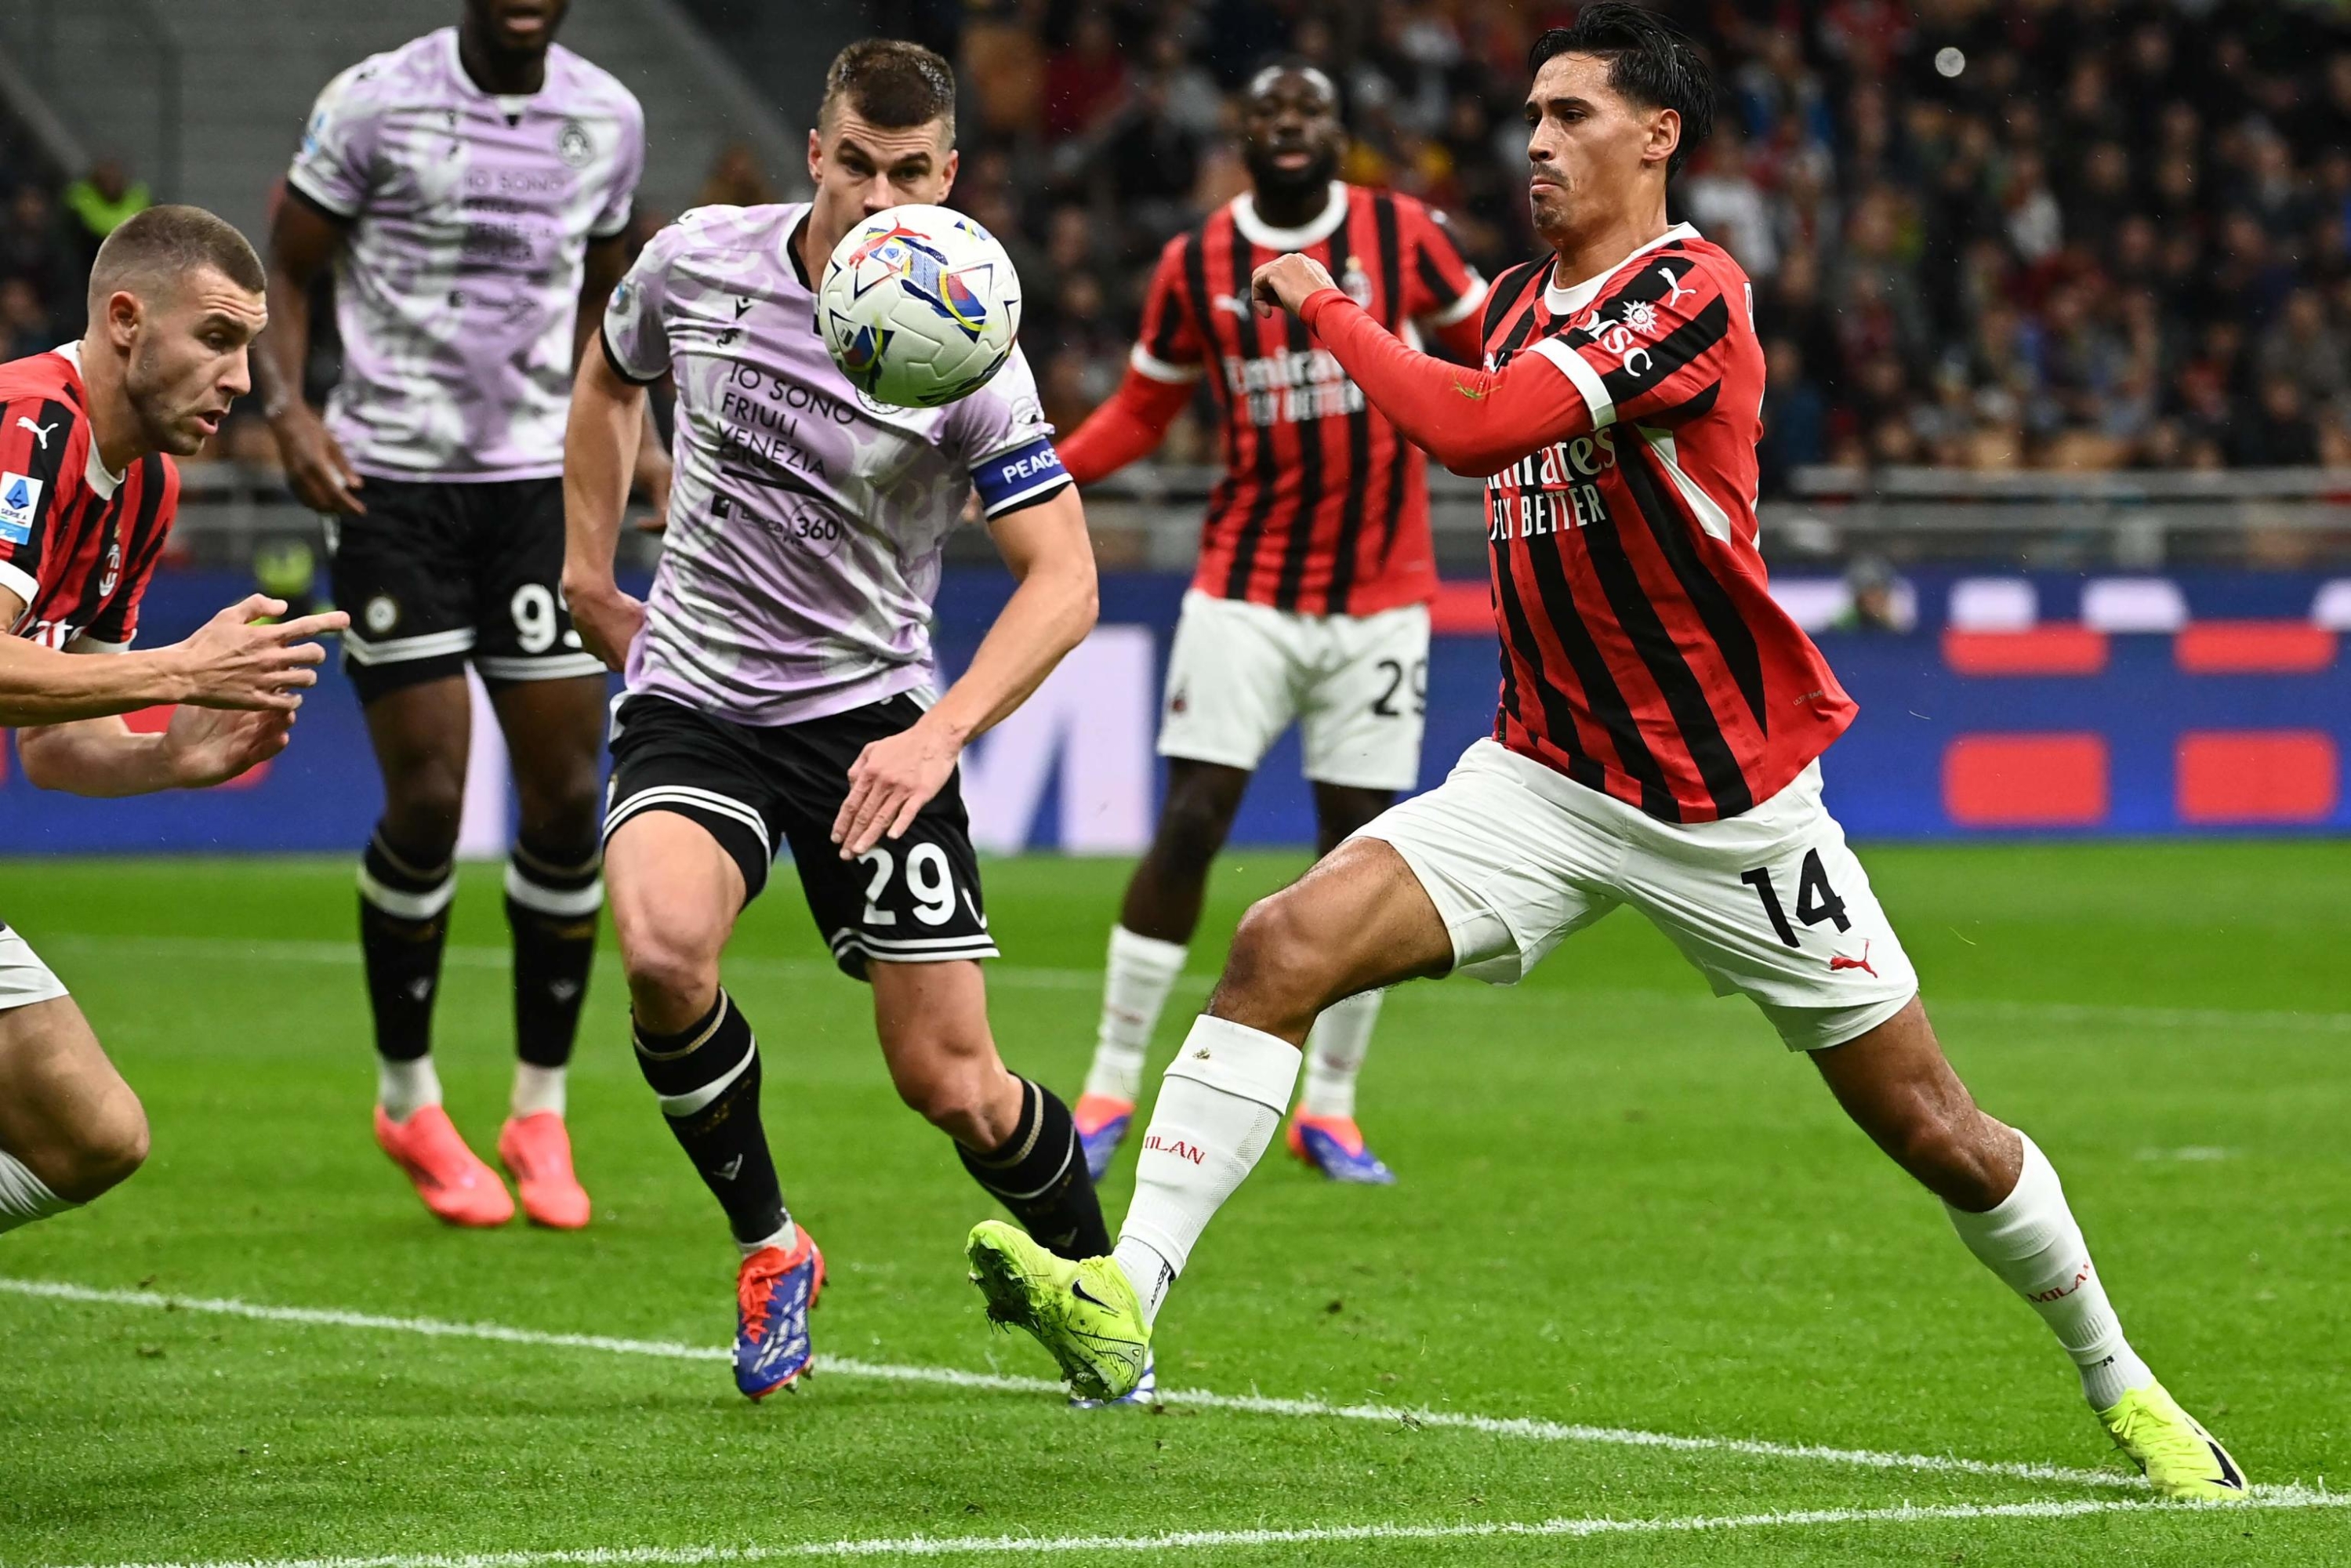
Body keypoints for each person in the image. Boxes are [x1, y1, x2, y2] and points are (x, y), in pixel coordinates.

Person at [964, 7, 2247, 1502]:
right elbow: (1452, 393)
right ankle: (1124, 1301)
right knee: (1279, 941)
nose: (1539, 142)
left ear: (1659, 138)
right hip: (1545, 780)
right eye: (1531, 115)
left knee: (1939, 1132)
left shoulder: (1692, 293)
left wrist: (1322, 304)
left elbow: (1477, 427)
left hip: (1729, 810)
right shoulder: (1511, 298)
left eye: (1573, 114)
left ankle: (2124, 1382)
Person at [564, 38, 1115, 1402]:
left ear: (951, 176)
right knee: (662, 949)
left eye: (910, 173)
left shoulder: (972, 343)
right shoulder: (699, 262)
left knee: (954, 1083)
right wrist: (586, 574)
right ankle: (771, 1246)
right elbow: (606, 373)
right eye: (856, 166)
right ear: (815, 154)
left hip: (870, 722)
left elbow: (1068, 582)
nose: (879, 199)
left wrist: (940, 735)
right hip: (695, 697)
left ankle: (1101, 1293)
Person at [251, 0, 657, 1231]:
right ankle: (409, 1096)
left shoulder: (608, 119)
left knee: (559, 802)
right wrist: (289, 410)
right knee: (429, 797)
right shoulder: (374, 99)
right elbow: (284, 263)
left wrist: (625, 458)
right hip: (392, 490)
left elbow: (613, 313)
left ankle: (540, 1109)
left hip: (538, 492)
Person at [1058, 61, 1489, 1187]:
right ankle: (1108, 1084)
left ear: (1338, 131)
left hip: (1383, 597)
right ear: (1242, 137)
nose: (1291, 128)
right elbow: (1144, 408)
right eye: (1269, 116)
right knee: (1193, 819)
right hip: (1244, 588)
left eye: (1310, 112)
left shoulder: (1403, 234)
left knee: (1362, 856)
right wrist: (1042, 470)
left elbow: (1489, 335)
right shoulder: (1196, 261)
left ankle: (1331, 1109)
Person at [0, 206, 348, 1236]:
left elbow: (56, 747)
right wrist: (181, 666)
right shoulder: (30, 426)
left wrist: (171, 755)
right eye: (217, 339)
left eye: (247, 346)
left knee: (96, 1136)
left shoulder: (142, 487)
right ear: (123, 320)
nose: (242, 379)